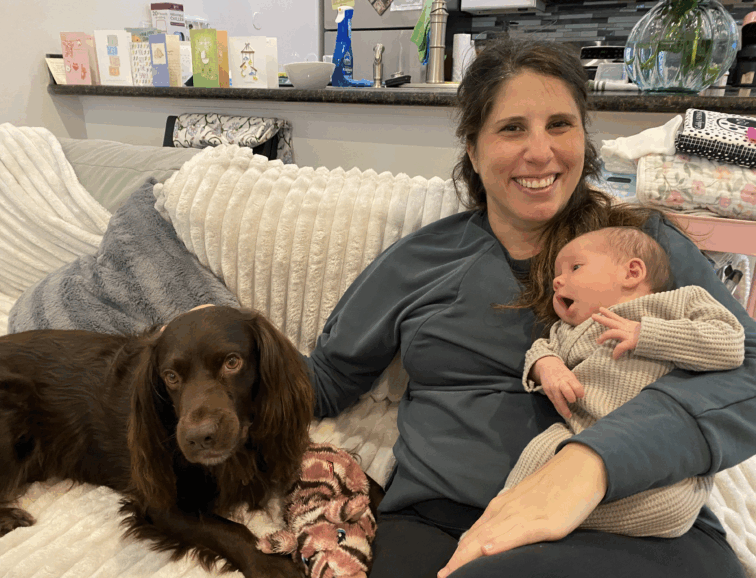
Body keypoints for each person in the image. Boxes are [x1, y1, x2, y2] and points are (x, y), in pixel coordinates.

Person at [301, 38, 756, 578]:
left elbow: (746, 366)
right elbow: (328, 377)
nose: (540, 153)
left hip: (637, 518)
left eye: (560, 125)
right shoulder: (420, 260)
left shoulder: (640, 249)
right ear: (473, 149)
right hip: (444, 522)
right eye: (512, 128)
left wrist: (593, 463)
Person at [502, 226, 745, 539]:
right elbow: (541, 350)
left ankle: (543, 519)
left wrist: (647, 335)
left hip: (656, 454)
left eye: (574, 267)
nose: (557, 281)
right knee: (541, 449)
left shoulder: (679, 302)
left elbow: (730, 344)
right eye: (556, 275)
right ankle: (510, 511)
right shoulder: (568, 330)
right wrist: (546, 366)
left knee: (673, 505)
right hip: (581, 443)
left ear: (632, 271)